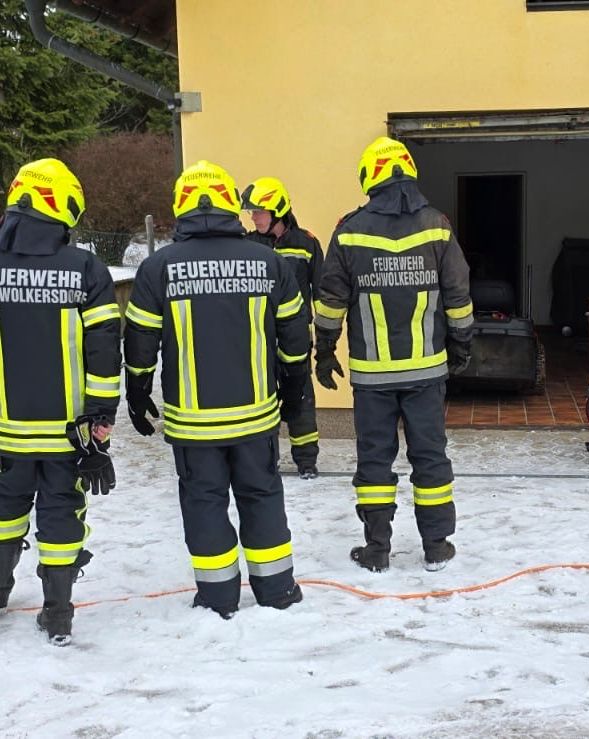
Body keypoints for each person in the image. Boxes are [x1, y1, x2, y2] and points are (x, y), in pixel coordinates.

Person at [123, 160, 310, 618]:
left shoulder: (157, 267)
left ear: (181, 206)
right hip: (255, 416)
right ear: (230, 204)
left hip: (193, 421)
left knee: (204, 504)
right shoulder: (269, 262)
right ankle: (277, 589)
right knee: (261, 495)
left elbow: (140, 341)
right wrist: (294, 389)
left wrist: (138, 391)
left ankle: (218, 596)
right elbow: (293, 338)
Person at [314, 136, 473, 573]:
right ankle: (437, 545)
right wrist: (461, 344)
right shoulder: (437, 226)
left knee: (374, 460)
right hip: (426, 371)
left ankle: (377, 550)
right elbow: (458, 294)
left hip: (372, 376)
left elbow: (330, 301)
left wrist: (323, 352)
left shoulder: (349, 230)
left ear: (369, 177)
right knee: (430, 456)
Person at [0, 158, 121, 645]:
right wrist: (101, 423)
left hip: (4, 433)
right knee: (61, 515)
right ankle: (58, 613)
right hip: (68, 433)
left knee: (4, 513)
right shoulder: (86, 268)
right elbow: (104, 349)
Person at [241, 177, 324, 479]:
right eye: (252, 213)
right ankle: (267, 459)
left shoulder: (306, 243)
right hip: (259, 336)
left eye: (259, 212)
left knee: (301, 396)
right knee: (263, 400)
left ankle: (306, 460)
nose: (253, 217)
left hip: (297, 336)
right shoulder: (247, 245)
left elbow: (323, 289)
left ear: (277, 210)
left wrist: (326, 342)